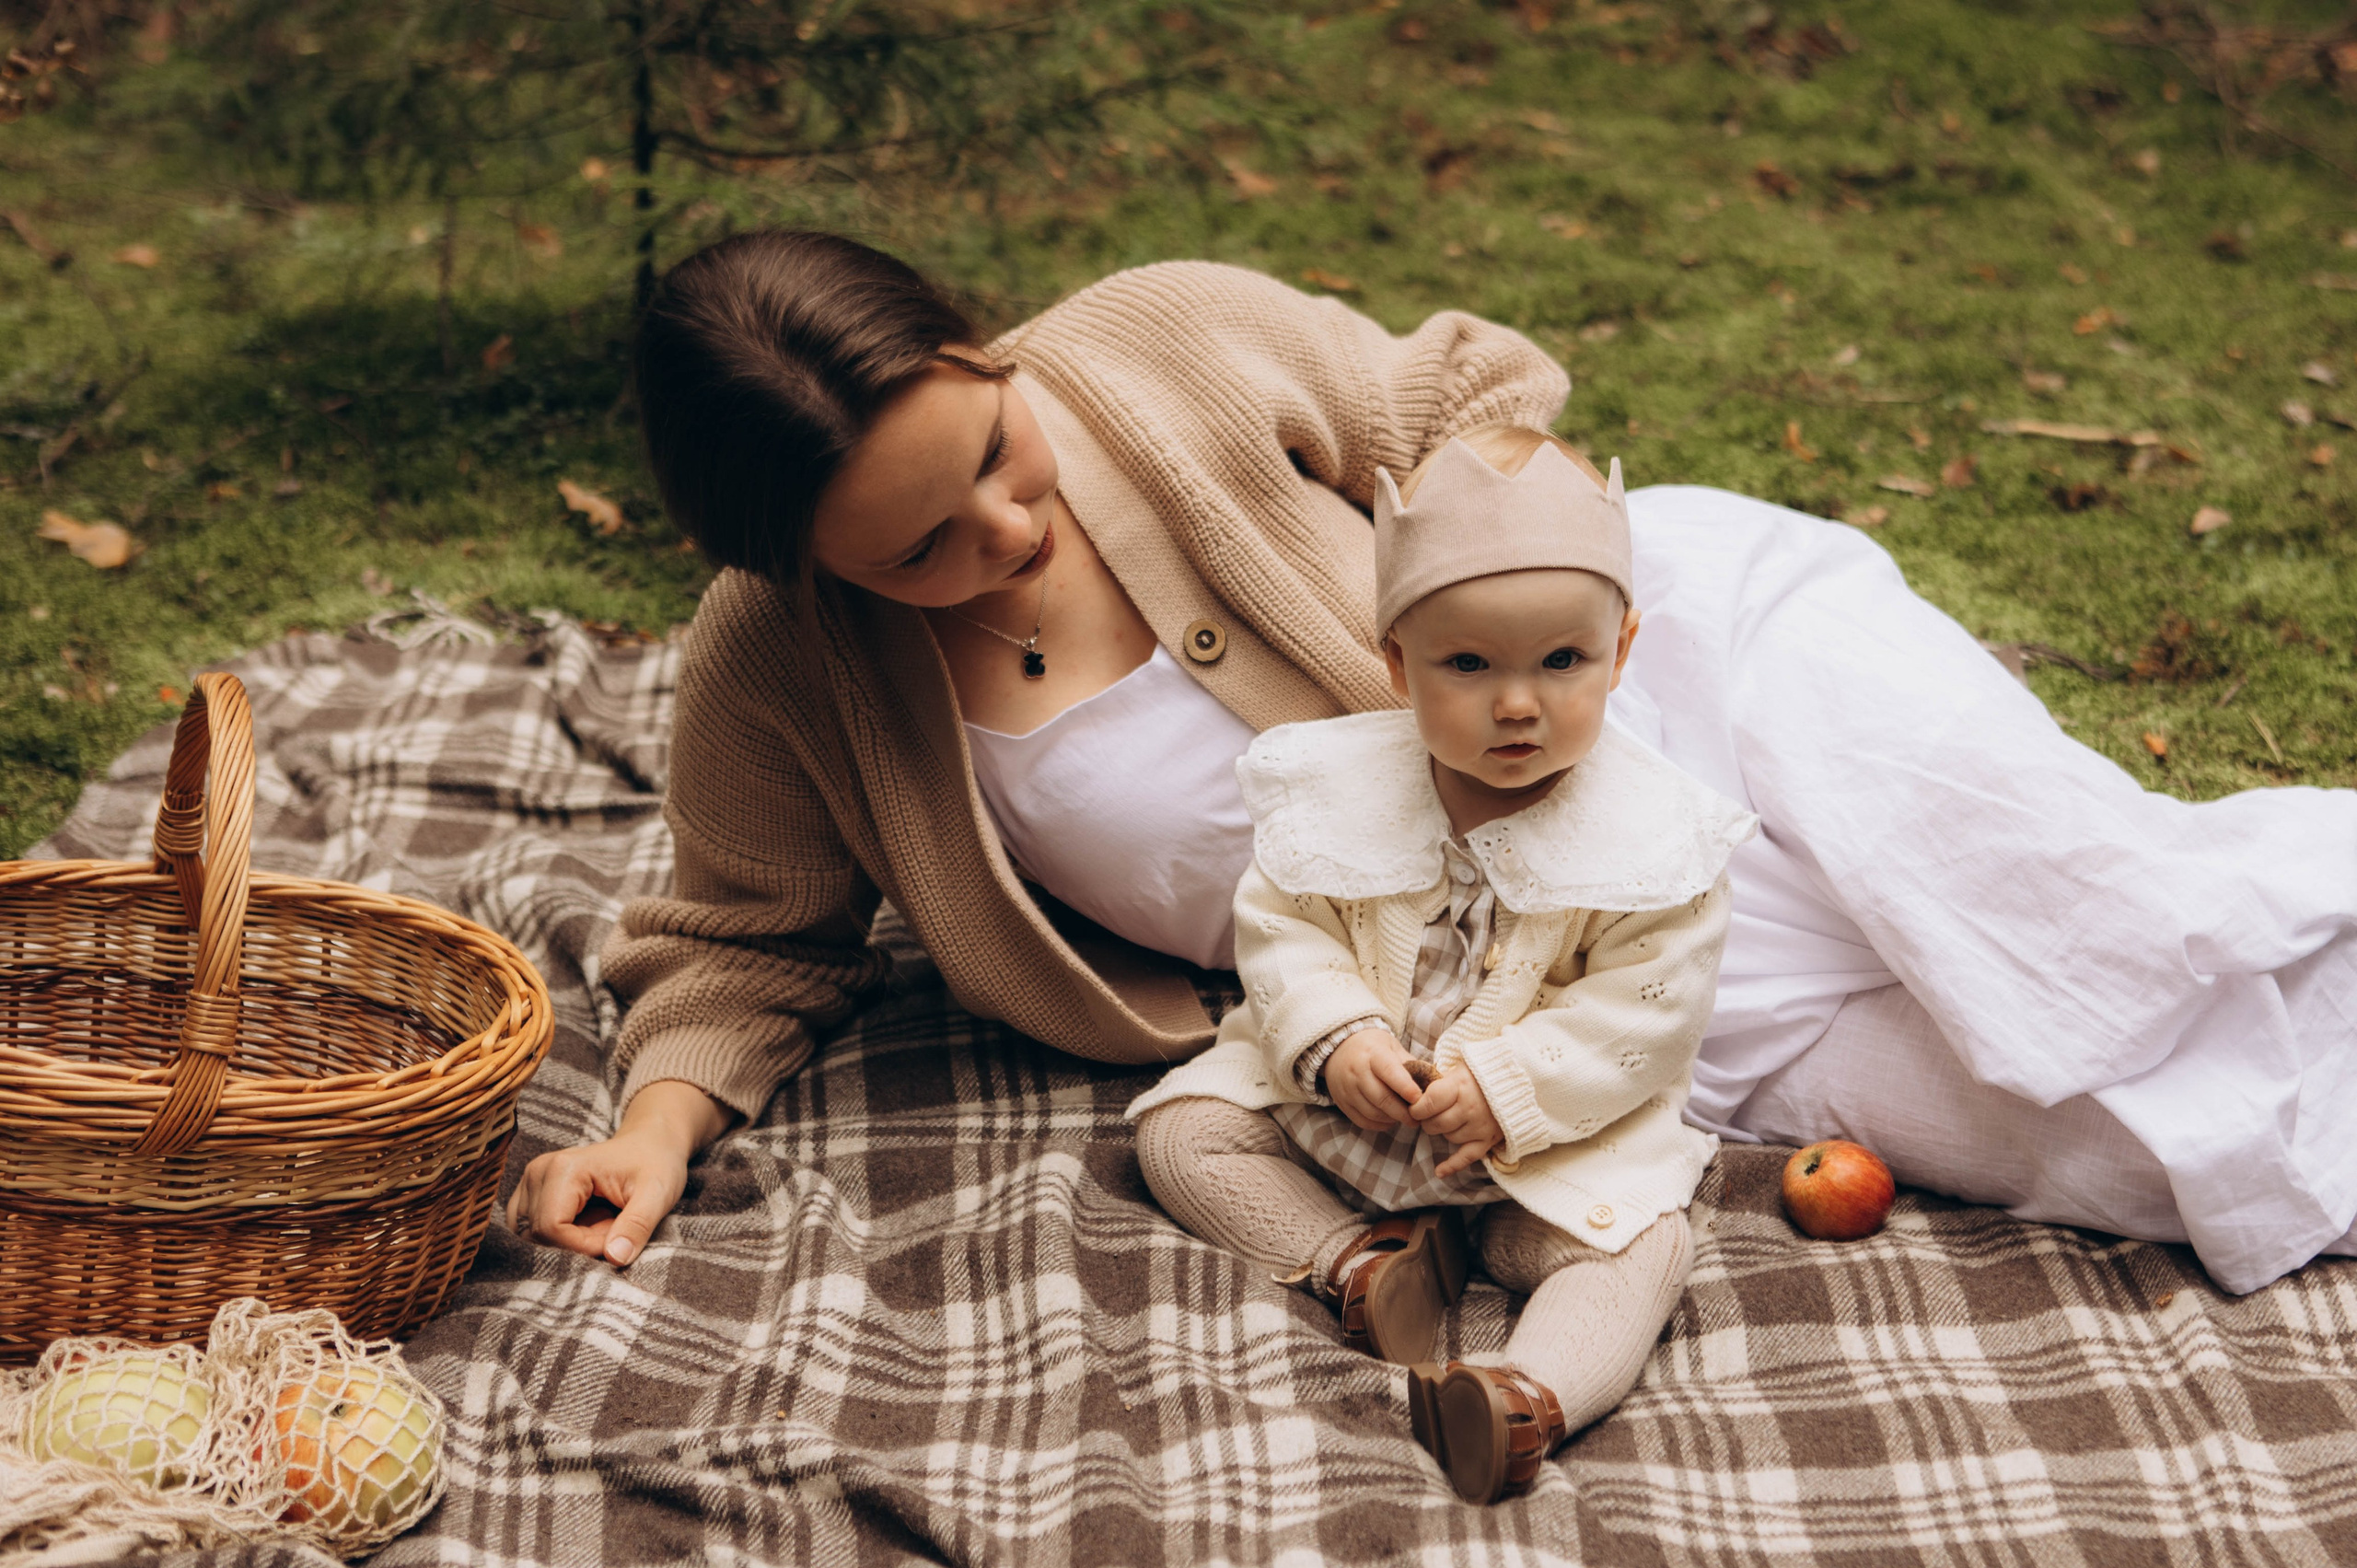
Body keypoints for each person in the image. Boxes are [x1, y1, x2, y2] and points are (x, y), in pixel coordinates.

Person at [507, 229, 2357, 1300]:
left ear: (980, 351)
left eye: (996, 447)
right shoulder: (772, 669)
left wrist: (1485, 614)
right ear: (793, 561)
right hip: (1529, 958)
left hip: (1679, 667)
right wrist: (653, 1130)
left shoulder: (1158, 342)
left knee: (2097, 925)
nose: (999, 528)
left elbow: (1466, 393)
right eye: (918, 548)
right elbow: (743, 931)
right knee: (2098, 1149)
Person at [1123, 426, 1756, 1502]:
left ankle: (1519, 1398)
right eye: (1467, 664)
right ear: (1396, 664)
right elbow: (1282, 929)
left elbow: (1650, 1010)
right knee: (1181, 1136)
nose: (1518, 703)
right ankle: (1364, 1265)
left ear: (1624, 648)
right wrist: (1334, 1039)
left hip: (1542, 1158)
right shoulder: (1341, 788)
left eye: (1564, 661)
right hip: (1349, 1130)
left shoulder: (1658, 839)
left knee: (1643, 1252)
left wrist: (1512, 1090)